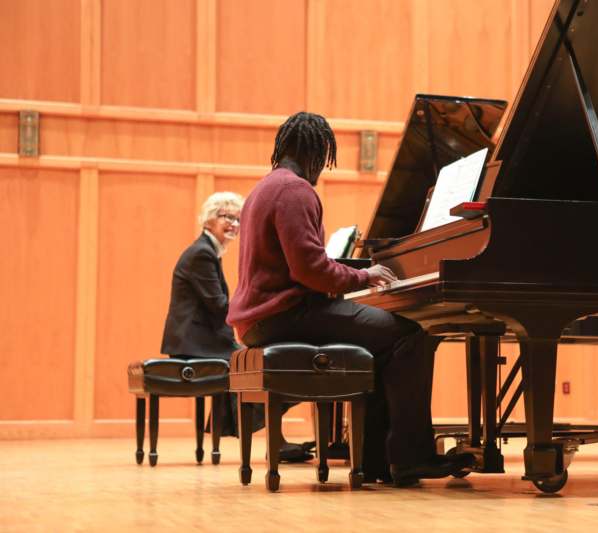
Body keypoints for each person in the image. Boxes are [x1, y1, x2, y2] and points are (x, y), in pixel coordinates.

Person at [227, 112, 473, 486]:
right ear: (316, 151)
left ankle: (377, 462)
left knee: (383, 345)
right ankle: (412, 456)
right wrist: (363, 276)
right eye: (324, 160)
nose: (322, 170)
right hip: (287, 314)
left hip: (262, 319)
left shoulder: (265, 187)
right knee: (411, 335)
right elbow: (310, 270)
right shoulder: (295, 190)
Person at [161, 192, 311, 461]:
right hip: (194, 341)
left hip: (202, 338)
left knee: (256, 360)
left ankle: (276, 440)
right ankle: (275, 441)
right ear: (209, 220)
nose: (233, 224)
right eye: (226, 217)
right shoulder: (201, 254)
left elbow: (218, 306)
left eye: (237, 219)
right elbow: (219, 306)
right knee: (255, 362)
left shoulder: (207, 252)